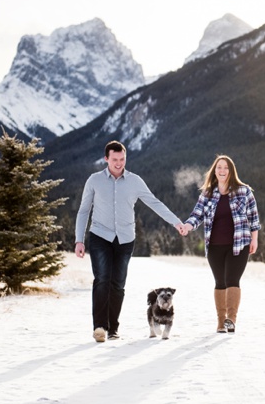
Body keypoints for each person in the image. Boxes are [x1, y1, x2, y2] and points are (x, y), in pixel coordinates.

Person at [75, 140, 187, 342]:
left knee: (118, 284)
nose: (119, 163)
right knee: (102, 280)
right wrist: (79, 240)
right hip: (100, 235)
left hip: (125, 239)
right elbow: (84, 210)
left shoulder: (135, 181)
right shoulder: (94, 180)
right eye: (115, 159)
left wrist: (176, 222)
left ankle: (113, 328)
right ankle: (99, 327)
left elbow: (154, 203)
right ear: (106, 159)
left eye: (122, 159)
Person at [180, 154, 260, 333]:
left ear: (231, 171)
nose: (222, 170)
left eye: (226, 167)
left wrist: (254, 239)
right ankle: (221, 321)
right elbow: (197, 215)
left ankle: (231, 319)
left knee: (232, 279)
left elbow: (254, 217)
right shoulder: (207, 193)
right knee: (219, 282)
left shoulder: (244, 191)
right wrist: (187, 225)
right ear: (214, 171)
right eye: (219, 167)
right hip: (215, 245)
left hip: (239, 245)